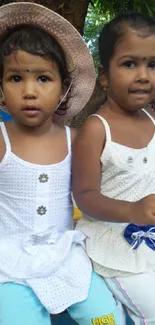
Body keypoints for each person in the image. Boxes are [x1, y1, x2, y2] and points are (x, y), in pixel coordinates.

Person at [0, 2, 126, 325]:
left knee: (107, 318)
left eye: (43, 79)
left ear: (63, 89)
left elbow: (95, 187)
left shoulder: (75, 139)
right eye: (15, 78)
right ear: (0, 89)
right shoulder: (2, 139)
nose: (29, 91)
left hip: (65, 255)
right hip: (10, 261)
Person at [72, 12, 155, 325]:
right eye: (130, 64)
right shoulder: (97, 129)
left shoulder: (151, 121)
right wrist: (131, 211)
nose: (144, 75)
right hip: (114, 252)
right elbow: (85, 196)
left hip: (148, 243)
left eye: (153, 65)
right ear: (104, 75)